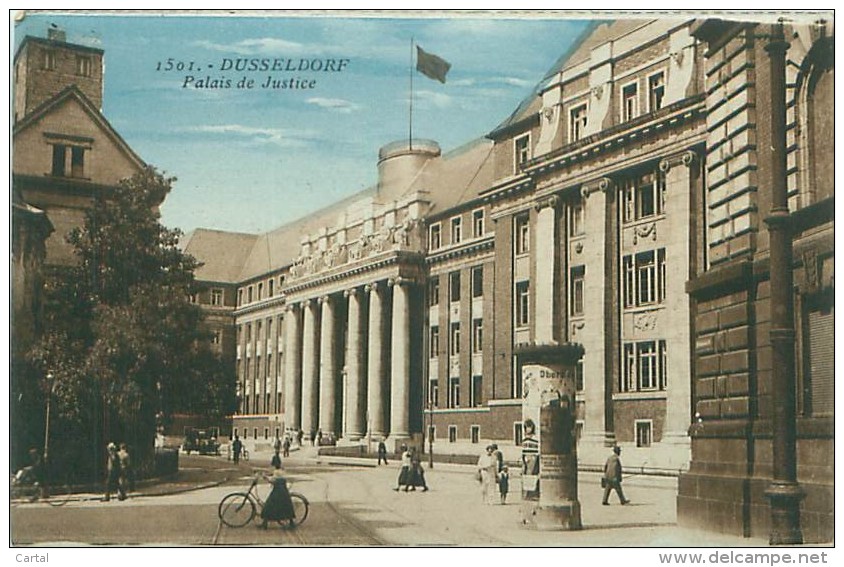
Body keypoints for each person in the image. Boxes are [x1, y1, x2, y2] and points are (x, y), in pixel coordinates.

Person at [259, 461, 296, 529]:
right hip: (283, 491)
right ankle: (291, 522)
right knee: (286, 506)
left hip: (278, 491)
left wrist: (265, 478)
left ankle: (265, 523)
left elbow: (273, 480)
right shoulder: (281, 471)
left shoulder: (277, 472)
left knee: (269, 505)